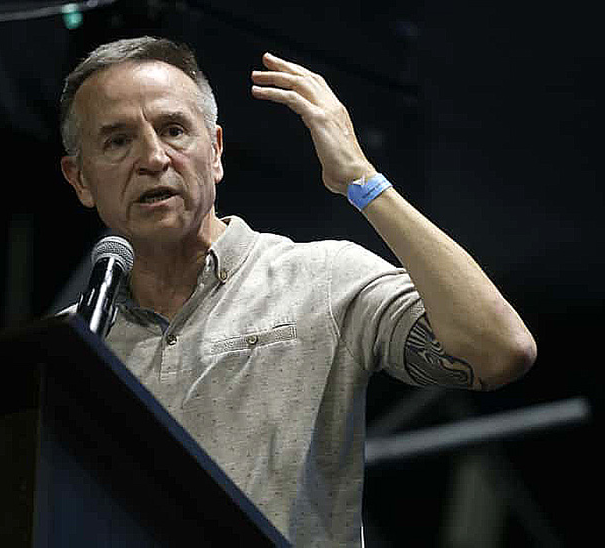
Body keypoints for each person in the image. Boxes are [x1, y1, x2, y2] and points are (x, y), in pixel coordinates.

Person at [58, 36, 536, 547]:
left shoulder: (321, 279)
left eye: (174, 130)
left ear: (215, 151)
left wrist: (362, 179)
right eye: (118, 141)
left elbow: (499, 351)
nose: (154, 158)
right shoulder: (71, 344)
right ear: (80, 179)